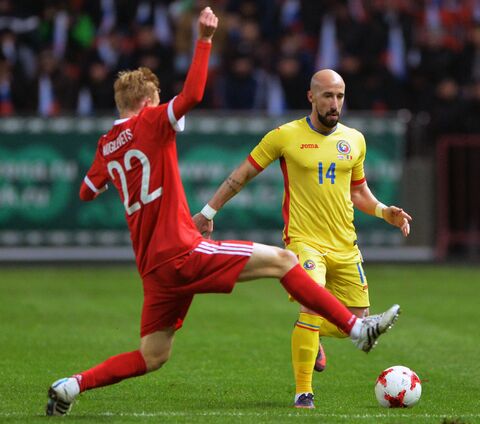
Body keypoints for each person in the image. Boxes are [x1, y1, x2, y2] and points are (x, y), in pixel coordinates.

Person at [45, 8, 400, 416]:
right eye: (158, 102)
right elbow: (193, 95)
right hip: (181, 250)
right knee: (284, 260)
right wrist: (204, 40)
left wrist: (113, 172)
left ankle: (70, 386)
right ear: (147, 102)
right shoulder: (152, 121)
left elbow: (87, 191)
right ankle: (358, 330)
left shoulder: (107, 144)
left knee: (153, 355)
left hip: (152, 268)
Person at [193, 69, 411, 409]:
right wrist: (208, 213)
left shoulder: (355, 139)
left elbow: (359, 192)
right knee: (312, 305)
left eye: (339, 96)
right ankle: (303, 392)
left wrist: (385, 212)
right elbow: (242, 174)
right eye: (327, 96)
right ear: (311, 97)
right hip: (304, 241)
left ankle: (311, 334)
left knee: (357, 317)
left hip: (345, 244)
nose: (334, 103)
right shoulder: (284, 136)